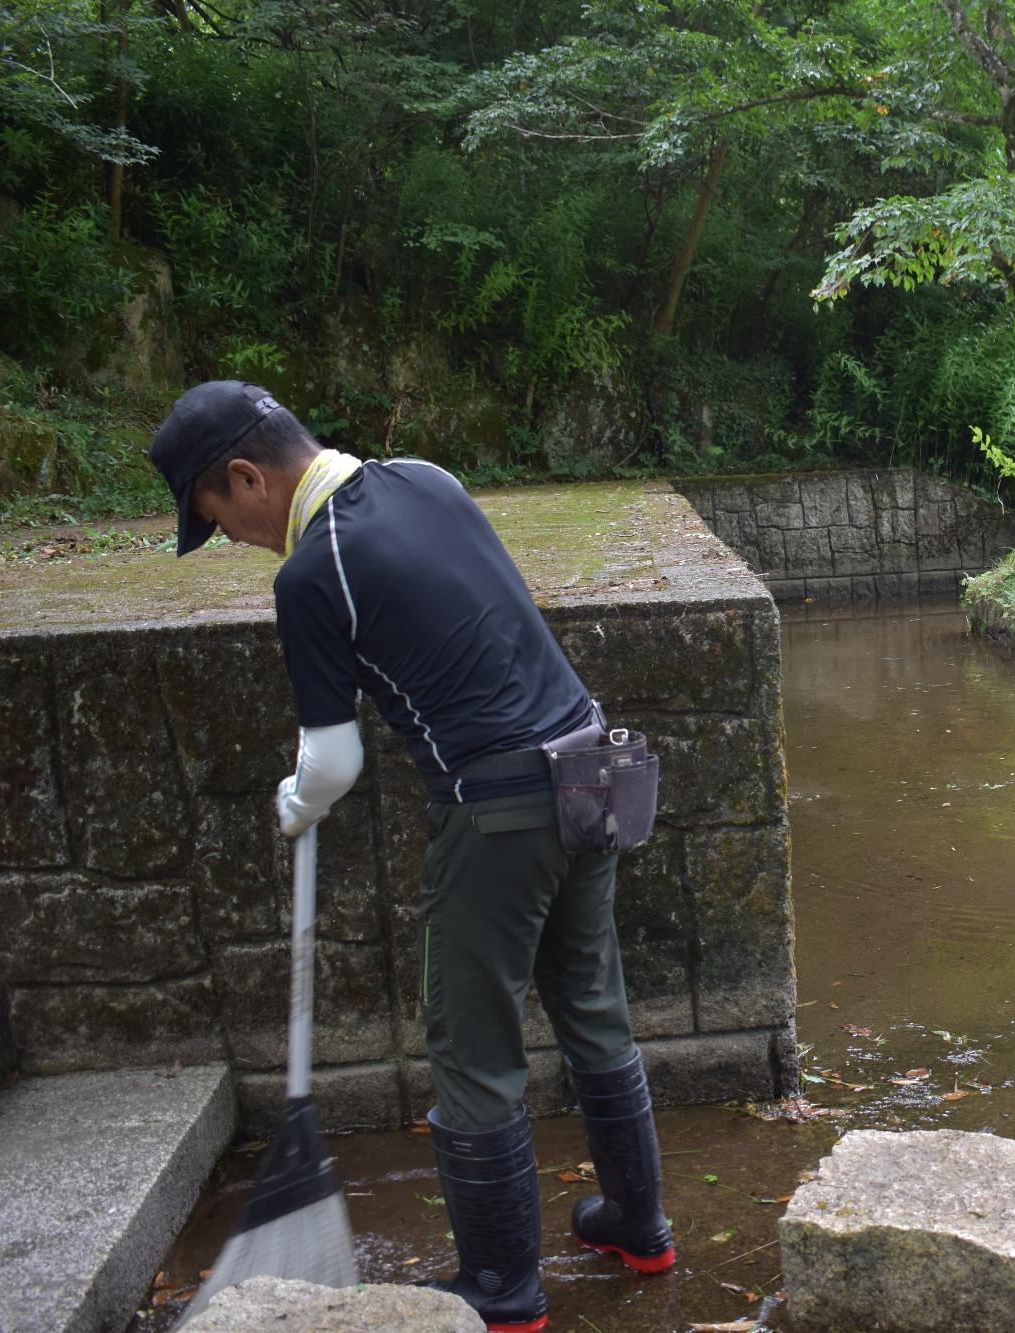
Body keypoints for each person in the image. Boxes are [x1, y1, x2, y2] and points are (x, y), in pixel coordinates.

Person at [151, 381, 675, 1333]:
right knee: (594, 1011)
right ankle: (640, 1227)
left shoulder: (313, 576)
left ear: (244, 476)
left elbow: (333, 761)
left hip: (498, 813)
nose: (224, 535)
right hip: (592, 773)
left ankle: (504, 1290)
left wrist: (293, 802)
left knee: (473, 1057)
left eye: (214, 515)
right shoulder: (427, 479)